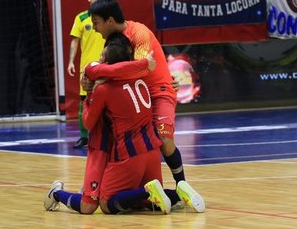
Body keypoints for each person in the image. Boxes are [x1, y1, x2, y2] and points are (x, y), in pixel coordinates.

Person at [44, 33, 201, 214]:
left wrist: (89, 96)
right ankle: (179, 193)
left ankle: (56, 193)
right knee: (138, 202)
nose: (99, 59)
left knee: (100, 204)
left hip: (119, 150)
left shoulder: (103, 87)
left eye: (102, 56)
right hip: (150, 149)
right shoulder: (141, 77)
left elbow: (88, 123)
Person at [82, 0, 205, 212]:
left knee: (164, 138)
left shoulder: (138, 33)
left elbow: (137, 69)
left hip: (158, 92)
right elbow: (124, 69)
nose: (94, 28)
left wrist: (95, 72)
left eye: (97, 22)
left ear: (110, 20)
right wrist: (92, 74)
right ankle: (147, 191)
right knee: (138, 143)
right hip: (139, 95)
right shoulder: (115, 38)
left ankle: (182, 185)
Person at [67, 0, 105, 149]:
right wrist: (70, 62)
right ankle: (84, 137)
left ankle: (106, 136)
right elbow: (75, 41)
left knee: (107, 100)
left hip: (106, 66)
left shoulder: (107, 18)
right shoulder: (81, 18)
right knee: (84, 102)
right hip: (87, 68)